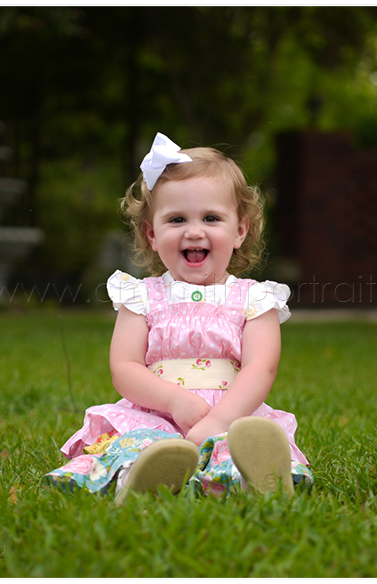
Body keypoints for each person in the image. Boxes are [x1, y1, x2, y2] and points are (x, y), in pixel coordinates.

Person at [43, 133, 312, 501]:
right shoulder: (141, 297)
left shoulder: (255, 298)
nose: (194, 231)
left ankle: (257, 478)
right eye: (177, 219)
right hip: (155, 412)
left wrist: (218, 421)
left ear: (239, 230)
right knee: (141, 444)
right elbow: (125, 367)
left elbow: (259, 368)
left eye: (211, 218)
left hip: (229, 413)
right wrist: (172, 401)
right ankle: (142, 477)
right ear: (152, 234)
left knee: (235, 445)